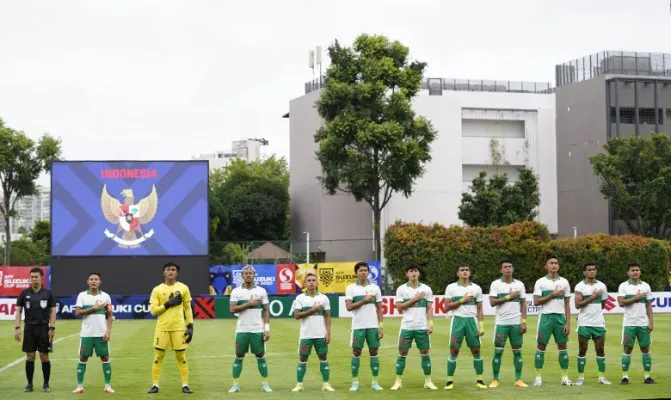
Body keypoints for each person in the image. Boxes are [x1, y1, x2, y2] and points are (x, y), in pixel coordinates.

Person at [147, 262, 194, 394]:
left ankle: (185, 385)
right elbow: (153, 311)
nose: (171, 272)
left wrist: (190, 325)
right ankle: (155, 384)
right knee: (159, 356)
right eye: (168, 270)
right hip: (162, 328)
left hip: (179, 328)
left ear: (176, 273)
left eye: (173, 270)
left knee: (181, 356)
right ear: (164, 272)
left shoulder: (183, 288)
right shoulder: (157, 290)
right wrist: (168, 304)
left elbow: (187, 308)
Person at [390, 264, 438, 391]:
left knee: (425, 353)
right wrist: (414, 299)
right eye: (411, 271)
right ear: (407, 274)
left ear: (419, 273)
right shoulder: (401, 289)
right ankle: (398, 382)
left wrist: (431, 324)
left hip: (422, 327)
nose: (413, 273)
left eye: (416, 271)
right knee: (402, 353)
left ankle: (428, 381)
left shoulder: (426, 289)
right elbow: (399, 307)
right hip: (407, 327)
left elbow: (429, 308)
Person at [228, 265, 272, 393]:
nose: (248, 275)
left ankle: (265, 384)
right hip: (242, 329)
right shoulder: (236, 292)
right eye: (245, 273)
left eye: (250, 273)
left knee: (260, 356)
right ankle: (235, 384)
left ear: (254, 275)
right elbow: (232, 309)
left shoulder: (261, 291)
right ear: (242, 276)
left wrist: (267, 328)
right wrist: (249, 304)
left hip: (257, 329)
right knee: (239, 356)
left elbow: (266, 311)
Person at [14, 267, 58, 393]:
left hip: (44, 329)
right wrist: (17, 327)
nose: (33, 279)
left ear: (42, 278)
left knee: (44, 356)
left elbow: (53, 311)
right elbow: (18, 310)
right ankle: (29, 384)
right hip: (29, 329)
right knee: (30, 356)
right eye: (31, 277)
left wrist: (52, 327)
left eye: (36, 277)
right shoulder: (24, 293)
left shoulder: (48, 293)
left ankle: (46, 384)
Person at [444, 264, 486, 390]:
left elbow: (479, 309)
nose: (465, 272)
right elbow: (446, 307)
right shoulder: (451, 288)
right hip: (457, 320)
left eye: (467, 270)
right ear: (457, 273)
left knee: (476, 350)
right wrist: (462, 300)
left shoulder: (476, 288)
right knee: (454, 350)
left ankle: (480, 380)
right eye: (462, 270)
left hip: (471, 321)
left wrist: (481, 326)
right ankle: (449, 381)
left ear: (470, 272)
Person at [532, 255, 572, 387]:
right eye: (551, 263)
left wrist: (568, 322)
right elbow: (536, 301)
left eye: (556, 263)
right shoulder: (540, 282)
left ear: (558, 266)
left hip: (560, 318)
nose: (554, 265)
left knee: (562, 346)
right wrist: (552, 295)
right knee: (541, 346)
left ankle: (565, 378)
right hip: (545, 317)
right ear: (546, 266)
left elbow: (567, 304)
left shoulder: (564, 282)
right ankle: (538, 378)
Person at [291, 272, 335, 392]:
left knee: (323, 357)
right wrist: (313, 310)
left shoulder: (324, 298)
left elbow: (327, 316)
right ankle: (299, 384)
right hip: (306, 335)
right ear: (305, 283)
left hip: (320, 335)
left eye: (313, 280)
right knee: (303, 358)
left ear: (317, 283)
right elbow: (297, 315)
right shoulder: (300, 298)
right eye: (309, 280)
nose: (311, 282)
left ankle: (326, 384)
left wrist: (328, 333)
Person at [344, 261, 384, 392]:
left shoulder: (375, 288)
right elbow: (349, 307)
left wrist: (381, 327)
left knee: (374, 352)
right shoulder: (351, 288)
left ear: (368, 272)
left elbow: (379, 309)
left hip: (373, 326)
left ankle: (375, 382)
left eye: (365, 270)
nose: (363, 272)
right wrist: (364, 300)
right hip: (358, 326)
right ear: (356, 273)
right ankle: (355, 382)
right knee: (356, 352)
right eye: (360, 270)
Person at [73, 272, 115, 394]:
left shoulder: (106, 297)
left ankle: (107, 386)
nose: (93, 281)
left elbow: (110, 315)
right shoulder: (82, 295)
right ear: (88, 281)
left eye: (96, 279)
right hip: (86, 334)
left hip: (101, 334)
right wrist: (94, 309)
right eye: (91, 279)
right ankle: (80, 386)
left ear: (100, 282)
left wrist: (108, 331)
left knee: (105, 357)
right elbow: (77, 312)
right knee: (83, 357)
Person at [488, 260, 528, 388]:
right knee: (498, 352)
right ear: (501, 270)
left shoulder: (520, 285)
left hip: (516, 323)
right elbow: (492, 302)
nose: (508, 269)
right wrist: (508, 296)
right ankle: (495, 379)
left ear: (513, 269)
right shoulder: (495, 284)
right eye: (505, 267)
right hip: (501, 324)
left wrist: (524, 322)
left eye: (510, 267)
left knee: (517, 352)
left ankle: (518, 379)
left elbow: (523, 303)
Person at [617, 263, 656, 385]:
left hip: (643, 323)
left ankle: (647, 377)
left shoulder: (646, 286)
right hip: (629, 323)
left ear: (640, 272)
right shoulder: (623, 286)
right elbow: (621, 303)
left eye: (637, 270)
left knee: (645, 348)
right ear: (628, 273)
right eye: (632, 270)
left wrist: (651, 322)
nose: (635, 272)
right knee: (627, 348)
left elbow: (648, 305)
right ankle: (625, 377)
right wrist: (636, 297)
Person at [573, 263, 611, 385]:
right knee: (582, 349)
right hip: (584, 322)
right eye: (589, 270)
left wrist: (596, 300)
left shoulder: (602, 286)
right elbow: (577, 305)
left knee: (600, 349)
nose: (592, 272)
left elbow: (604, 304)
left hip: (598, 323)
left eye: (594, 269)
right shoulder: (580, 286)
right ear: (585, 272)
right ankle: (581, 378)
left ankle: (601, 377)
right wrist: (593, 296)